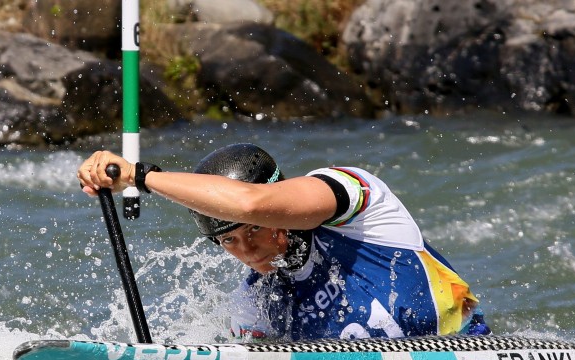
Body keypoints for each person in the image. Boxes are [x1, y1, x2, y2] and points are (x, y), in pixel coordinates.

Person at [77, 143, 491, 341]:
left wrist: (139, 177)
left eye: (253, 230)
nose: (247, 251)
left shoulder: (354, 203)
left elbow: (251, 203)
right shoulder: (258, 301)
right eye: (229, 241)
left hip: (469, 359)